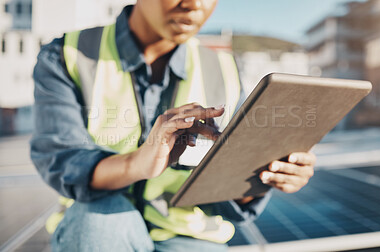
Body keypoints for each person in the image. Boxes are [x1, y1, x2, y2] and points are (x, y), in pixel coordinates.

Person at [31, 0, 315, 251]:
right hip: (97, 226)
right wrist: (138, 164)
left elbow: (225, 180)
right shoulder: (67, 54)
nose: (195, 4)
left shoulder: (224, 68)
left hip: (190, 234)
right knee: (98, 224)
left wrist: (266, 177)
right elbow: (62, 160)